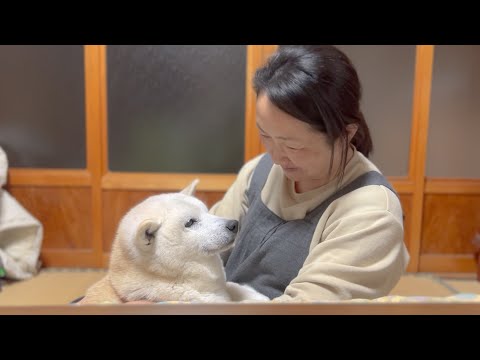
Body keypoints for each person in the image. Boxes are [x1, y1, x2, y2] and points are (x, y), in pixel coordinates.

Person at [208, 45, 410, 302]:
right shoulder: (258, 171)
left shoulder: (372, 213)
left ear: (345, 134)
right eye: (265, 136)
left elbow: (302, 309)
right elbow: (203, 249)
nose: (276, 157)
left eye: (293, 146)